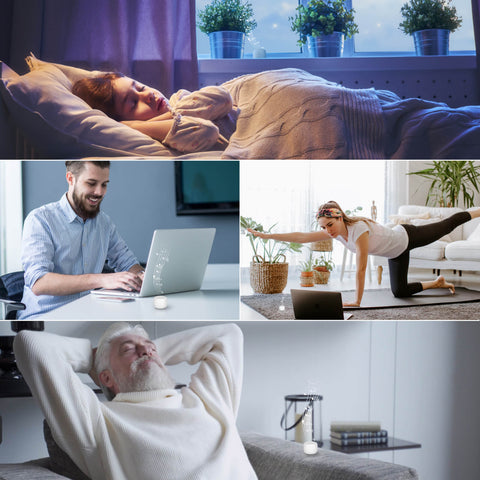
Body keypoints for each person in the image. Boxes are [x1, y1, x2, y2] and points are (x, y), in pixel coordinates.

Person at [13, 322, 257, 480]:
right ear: (106, 378)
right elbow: (30, 344)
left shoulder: (207, 398)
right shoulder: (99, 422)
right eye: (127, 349)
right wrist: (94, 360)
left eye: (151, 348)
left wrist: (145, 350)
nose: (146, 351)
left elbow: (229, 334)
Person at [248, 200, 480, 307]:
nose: (326, 231)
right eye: (323, 227)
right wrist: (269, 236)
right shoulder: (335, 233)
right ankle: (437, 282)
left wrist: (357, 301)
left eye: (329, 225)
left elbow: (360, 269)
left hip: (408, 236)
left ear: (339, 218)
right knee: (400, 293)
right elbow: (301, 236)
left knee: (449, 223)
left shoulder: (358, 230)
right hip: (395, 253)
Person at [18, 161, 144, 318]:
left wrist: (142, 275)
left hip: (89, 315)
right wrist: (101, 280)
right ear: (70, 179)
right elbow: (39, 283)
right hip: (45, 318)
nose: (99, 192)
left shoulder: (104, 223)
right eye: (91, 183)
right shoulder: (40, 220)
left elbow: (127, 262)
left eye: (104, 184)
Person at [72, 73, 239, 153]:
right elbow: (207, 131)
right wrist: (138, 126)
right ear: (124, 122)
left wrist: (171, 113)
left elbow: (223, 98)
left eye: (140, 87)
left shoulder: (179, 98)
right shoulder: (165, 137)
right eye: (133, 103)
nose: (148, 95)